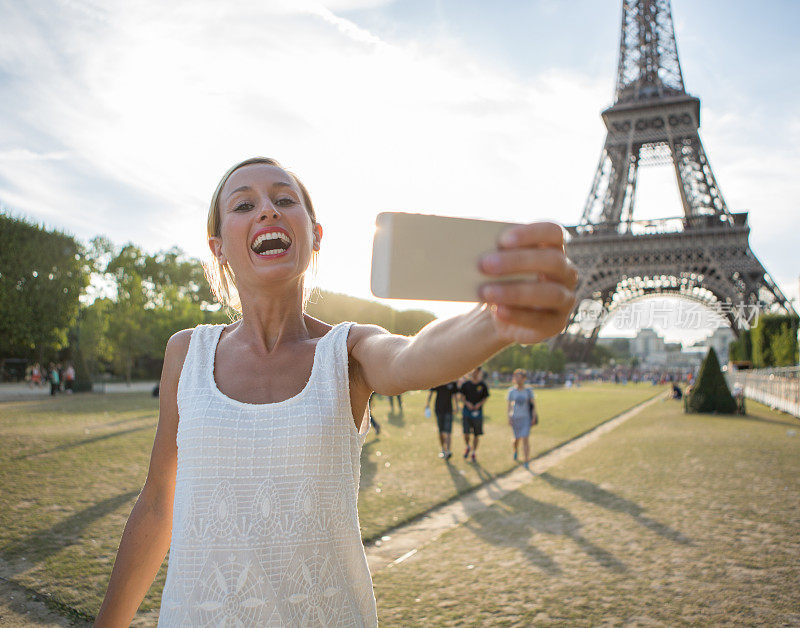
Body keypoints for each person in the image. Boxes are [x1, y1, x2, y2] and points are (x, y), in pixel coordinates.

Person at [94, 157, 577, 627]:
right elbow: (159, 502)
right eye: (244, 205)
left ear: (315, 236)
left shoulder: (346, 349)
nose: (267, 209)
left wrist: (497, 320)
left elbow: (412, 357)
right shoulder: (187, 353)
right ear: (217, 247)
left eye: (285, 199)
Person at [506, 369, 537, 468]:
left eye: (519, 377)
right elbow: (509, 406)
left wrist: (534, 416)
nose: (517, 379)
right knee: (516, 439)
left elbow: (533, 404)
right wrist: (509, 417)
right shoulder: (511, 391)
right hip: (515, 418)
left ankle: (526, 460)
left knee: (525, 439)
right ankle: (515, 450)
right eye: (516, 377)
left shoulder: (528, 391)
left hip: (526, 418)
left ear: (524, 379)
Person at [460, 366, 490, 463]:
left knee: (477, 434)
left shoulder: (482, 385)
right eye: (473, 371)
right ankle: (468, 446)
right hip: (466, 412)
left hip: (478, 412)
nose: (475, 373)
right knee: (466, 433)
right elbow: (462, 397)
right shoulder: (465, 385)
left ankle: (473, 452)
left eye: (477, 371)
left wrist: (479, 404)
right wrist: (467, 403)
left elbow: (485, 397)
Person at [425, 380, 459, 459]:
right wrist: (427, 404)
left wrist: (456, 406)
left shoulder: (453, 381)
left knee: (448, 431)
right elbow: (431, 392)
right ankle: (443, 449)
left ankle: (448, 451)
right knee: (441, 432)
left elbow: (454, 395)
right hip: (439, 409)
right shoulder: (439, 380)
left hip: (449, 410)